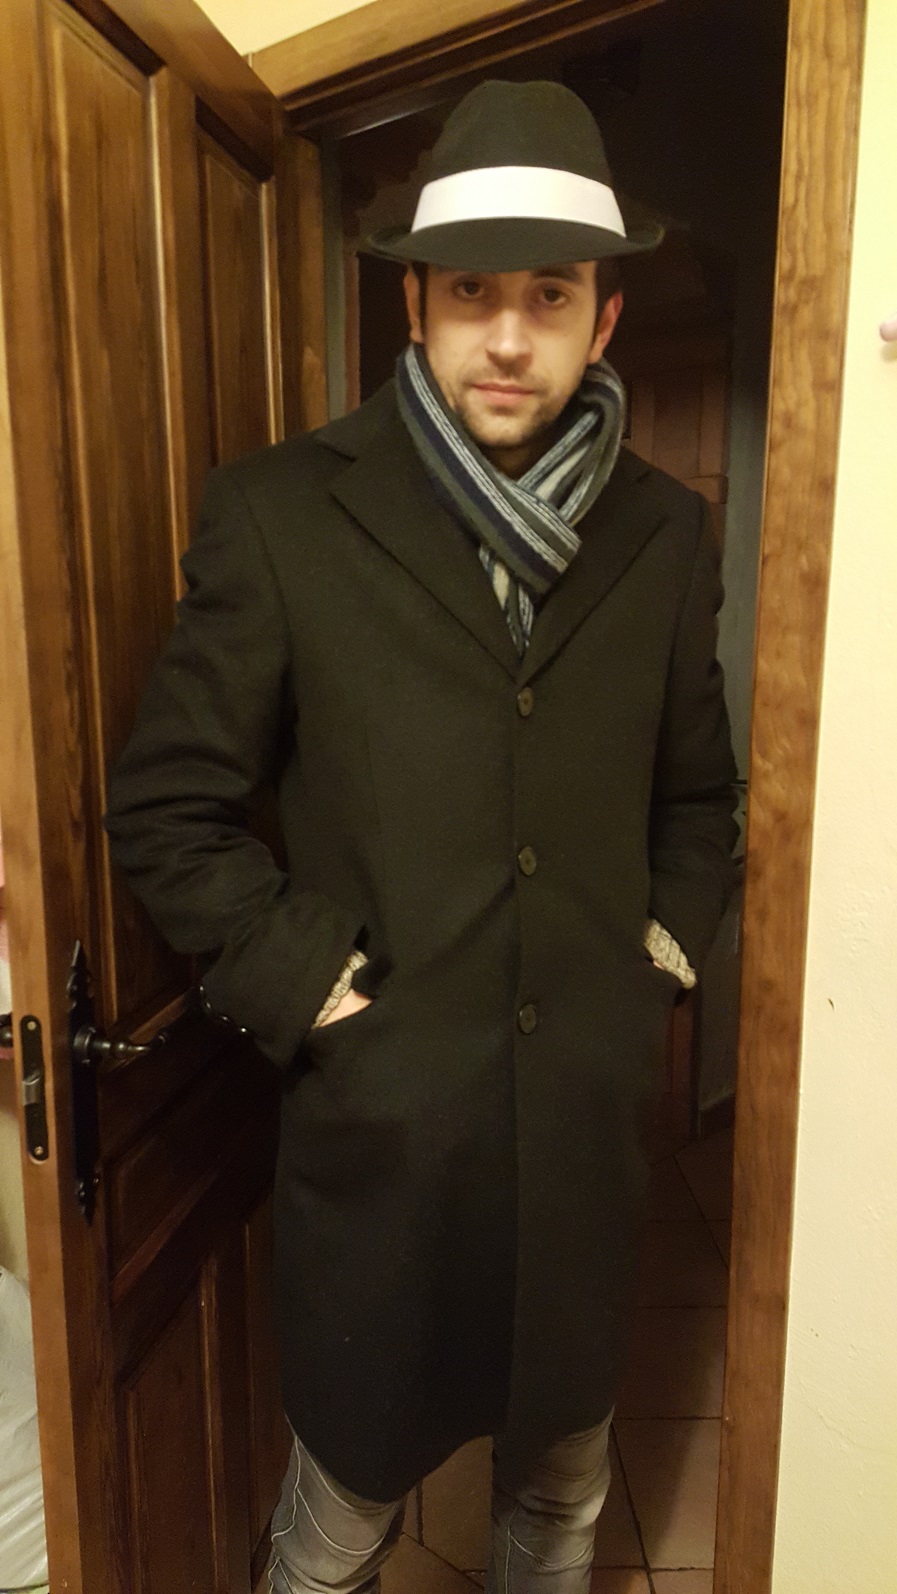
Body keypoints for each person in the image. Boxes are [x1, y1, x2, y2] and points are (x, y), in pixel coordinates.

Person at [103, 79, 738, 1594]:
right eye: (471, 292)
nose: (508, 336)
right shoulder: (281, 515)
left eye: (549, 293)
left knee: (558, 1499)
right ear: (413, 304)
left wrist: (655, 958)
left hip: (578, 1140)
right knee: (335, 1527)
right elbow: (168, 805)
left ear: (603, 315)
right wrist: (317, 993)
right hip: (384, 1142)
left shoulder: (664, 531)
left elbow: (696, 793)